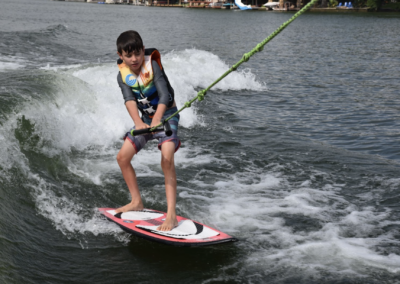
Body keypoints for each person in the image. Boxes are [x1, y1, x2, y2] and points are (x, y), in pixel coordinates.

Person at [115, 30, 181, 232]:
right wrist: (138, 122)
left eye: (137, 53)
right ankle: (136, 201)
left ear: (143, 51)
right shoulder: (122, 76)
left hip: (167, 117)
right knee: (122, 157)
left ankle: (171, 215)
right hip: (145, 121)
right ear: (121, 56)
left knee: (167, 158)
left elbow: (163, 95)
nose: (134, 59)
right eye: (129, 55)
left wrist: (158, 119)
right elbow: (129, 100)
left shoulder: (152, 65)